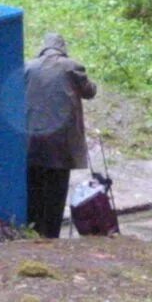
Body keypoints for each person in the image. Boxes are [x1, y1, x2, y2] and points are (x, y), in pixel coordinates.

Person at [24, 32, 97, 238]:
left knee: (34, 188)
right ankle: (52, 234)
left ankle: (32, 231)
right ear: (63, 49)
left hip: (32, 140)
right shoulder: (72, 67)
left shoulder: (28, 67)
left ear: (43, 48)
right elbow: (90, 92)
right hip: (60, 143)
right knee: (56, 190)